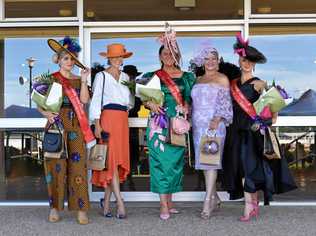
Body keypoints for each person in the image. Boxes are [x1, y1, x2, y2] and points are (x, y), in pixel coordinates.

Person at [222, 33, 297, 221]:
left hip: (252, 133)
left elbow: (273, 112)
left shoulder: (260, 84)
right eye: (243, 59)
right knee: (240, 168)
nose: (246, 63)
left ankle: (249, 206)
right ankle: (253, 204)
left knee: (250, 169)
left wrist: (267, 121)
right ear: (239, 60)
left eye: (249, 61)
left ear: (254, 64)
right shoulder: (232, 84)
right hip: (234, 131)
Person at [142, 23, 195, 220]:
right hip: (159, 124)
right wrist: (150, 105)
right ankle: (163, 205)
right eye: (165, 52)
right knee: (160, 163)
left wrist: (187, 108)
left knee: (174, 164)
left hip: (178, 124)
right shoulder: (152, 76)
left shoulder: (188, 77)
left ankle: (170, 201)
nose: (168, 55)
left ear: (177, 55)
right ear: (160, 56)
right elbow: (143, 98)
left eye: (172, 52)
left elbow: (190, 100)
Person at [38, 36, 92, 224]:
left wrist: (84, 81)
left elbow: (84, 101)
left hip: (77, 126)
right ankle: (54, 208)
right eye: (65, 58)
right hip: (56, 126)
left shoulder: (79, 80)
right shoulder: (51, 79)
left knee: (79, 168)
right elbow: (38, 101)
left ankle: (81, 209)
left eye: (72, 58)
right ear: (58, 60)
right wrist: (46, 114)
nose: (69, 61)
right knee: (55, 167)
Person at [89, 43, 134, 219]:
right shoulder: (101, 76)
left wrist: (128, 107)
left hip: (122, 120)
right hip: (107, 119)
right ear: (109, 58)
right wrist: (97, 124)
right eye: (114, 57)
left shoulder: (125, 77)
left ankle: (106, 204)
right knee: (112, 159)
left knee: (113, 162)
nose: (118, 60)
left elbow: (130, 102)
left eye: (120, 57)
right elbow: (95, 101)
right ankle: (120, 203)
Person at [190, 46, 233, 219]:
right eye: (206, 58)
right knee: (203, 164)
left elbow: (225, 104)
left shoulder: (222, 78)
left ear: (218, 61)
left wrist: (217, 119)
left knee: (210, 163)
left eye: (213, 58)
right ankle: (214, 196)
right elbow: (193, 102)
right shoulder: (198, 79)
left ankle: (207, 201)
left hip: (213, 126)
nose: (210, 62)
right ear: (202, 61)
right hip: (197, 126)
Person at [123, 65, 142, 179]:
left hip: (134, 124)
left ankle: (130, 179)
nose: (131, 78)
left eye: (133, 76)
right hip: (121, 123)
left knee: (133, 152)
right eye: (129, 76)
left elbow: (140, 105)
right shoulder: (119, 89)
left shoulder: (137, 90)